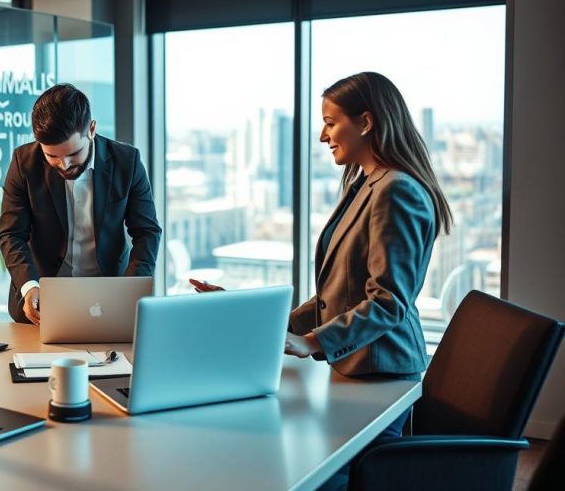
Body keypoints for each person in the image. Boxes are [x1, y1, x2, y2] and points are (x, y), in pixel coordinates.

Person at [192, 71, 451, 431]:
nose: (322, 135)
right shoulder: (365, 184)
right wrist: (253, 317)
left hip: (382, 371)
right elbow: (340, 294)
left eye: (330, 123)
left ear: (365, 122)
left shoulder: (396, 190)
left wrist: (313, 342)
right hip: (356, 367)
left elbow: (388, 302)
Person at [0, 83, 162, 325]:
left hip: (110, 299)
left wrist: (130, 290)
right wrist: (29, 287)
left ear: (92, 129)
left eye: (73, 154)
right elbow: (12, 233)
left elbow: (147, 232)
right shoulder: (24, 162)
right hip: (42, 301)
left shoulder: (127, 162)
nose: (64, 165)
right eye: (52, 157)